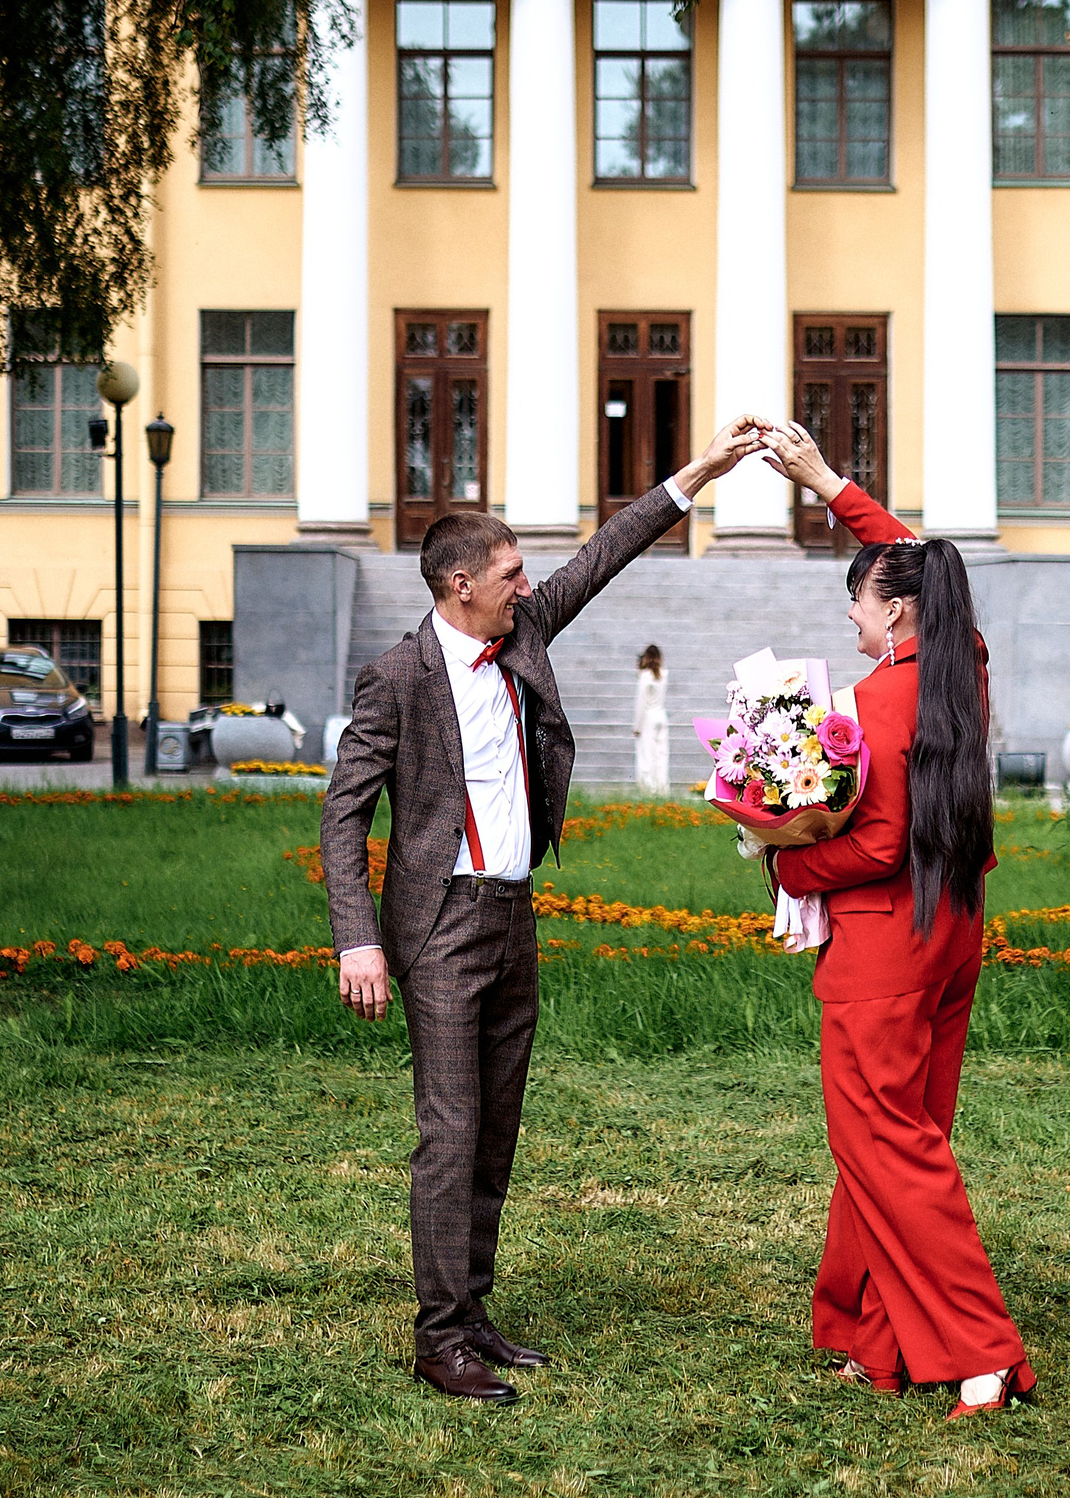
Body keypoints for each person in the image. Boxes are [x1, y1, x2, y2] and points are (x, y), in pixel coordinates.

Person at [320, 416, 767, 1404]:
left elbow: (604, 553)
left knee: (496, 1127)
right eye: (511, 573)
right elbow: (343, 812)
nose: (529, 585)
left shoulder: (522, 631)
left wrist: (698, 470)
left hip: (513, 917)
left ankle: (473, 1308)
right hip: (439, 928)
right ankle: (439, 1337)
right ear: (459, 586)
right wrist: (358, 939)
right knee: (449, 1131)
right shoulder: (397, 677)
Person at [756, 421, 1034, 1418]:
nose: (851, 613)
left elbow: (871, 846)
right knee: (900, 1139)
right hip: (951, 929)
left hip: (883, 944)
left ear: (898, 609)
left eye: (860, 599)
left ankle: (981, 1354)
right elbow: (923, 564)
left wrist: (783, 858)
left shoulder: (877, 699)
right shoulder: (963, 663)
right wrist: (829, 484)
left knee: (888, 1147)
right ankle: (877, 1340)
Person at [632, 644, 670, 795]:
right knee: (661, 754)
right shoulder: (664, 674)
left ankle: (648, 790)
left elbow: (641, 703)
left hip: (648, 717)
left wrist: (637, 726)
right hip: (661, 714)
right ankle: (662, 788)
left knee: (646, 755)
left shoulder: (644, 676)